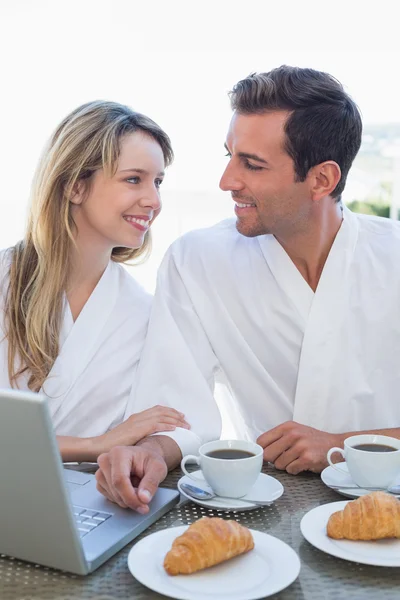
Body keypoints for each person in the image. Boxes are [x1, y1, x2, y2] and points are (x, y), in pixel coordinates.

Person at [95, 66, 400, 513]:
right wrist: (151, 454)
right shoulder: (197, 261)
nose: (227, 181)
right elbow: (178, 403)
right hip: (265, 506)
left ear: (322, 180)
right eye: (230, 156)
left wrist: (339, 443)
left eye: (252, 165)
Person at [0, 100, 189, 463]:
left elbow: (175, 422)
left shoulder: (145, 314)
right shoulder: (6, 279)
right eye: (133, 179)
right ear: (75, 186)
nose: (153, 200)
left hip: (91, 510)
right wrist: (93, 445)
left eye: (158, 182)